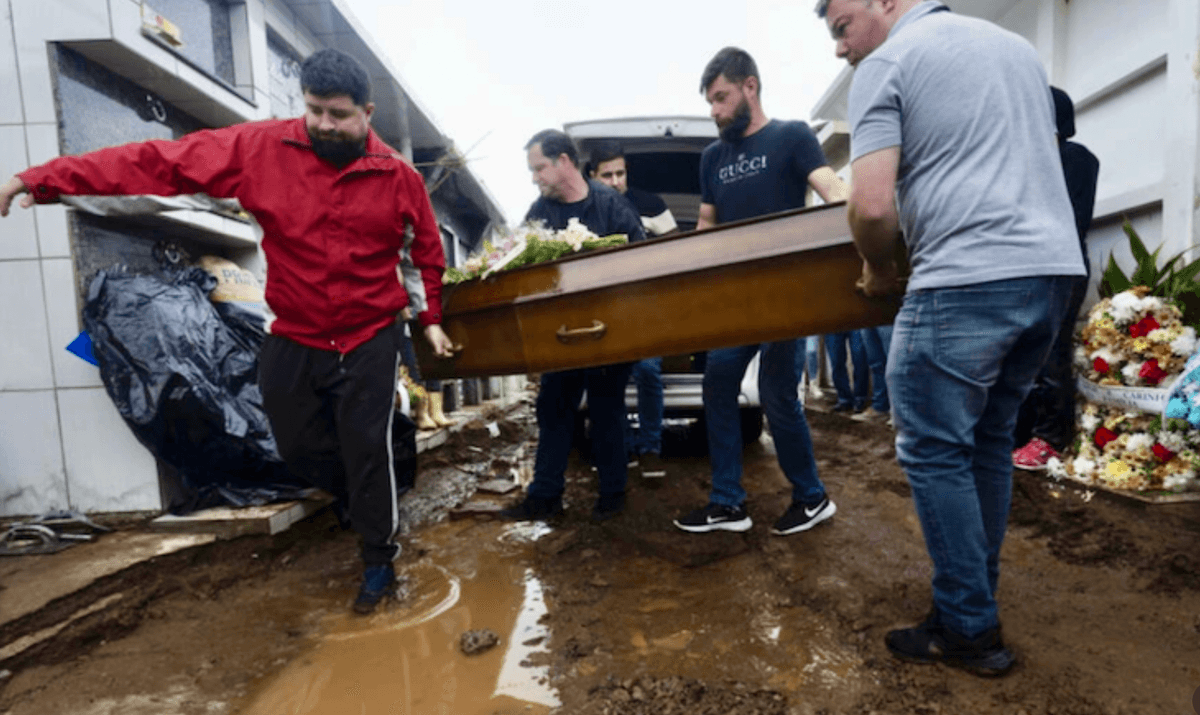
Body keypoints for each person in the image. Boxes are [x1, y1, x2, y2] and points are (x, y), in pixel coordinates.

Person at [0, 49, 455, 615]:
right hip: (296, 331)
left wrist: (430, 319)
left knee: (367, 448)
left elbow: (428, 253)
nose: (324, 124)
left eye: (338, 115)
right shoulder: (259, 148)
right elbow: (156, 162)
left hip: (369, 334)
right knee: (296, 444)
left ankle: (378, 560)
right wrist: (40, 180)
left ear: (366, 113)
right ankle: (351, 495)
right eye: (314, 110)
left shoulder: (398, 177)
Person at [819, 0, 1086, 676]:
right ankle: (969, 600)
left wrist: (878, 268)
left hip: (966, 277)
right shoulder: (1014, 48)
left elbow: (872, 204)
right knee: (989, 441)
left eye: (842, 26)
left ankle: (968, 626)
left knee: (935, 451)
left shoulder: (890, 63)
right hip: (1051, 273)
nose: (841, 48)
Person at [672, 47, 847, 536]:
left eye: (722, 98)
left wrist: (851, 225)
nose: (715, 111)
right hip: (736, 298)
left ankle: (812, 497)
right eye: (710, 102)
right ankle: (728, 502)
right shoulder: (713, 157)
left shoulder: (791, 136)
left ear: (750, 86)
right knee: (718, 383)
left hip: (788, 294)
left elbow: (831, 189)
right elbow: (707, 224)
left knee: (776, 393)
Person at [499, 129, 646, 522]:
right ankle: (545, 497)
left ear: (564, 161)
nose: (535, 178)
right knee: (553, 407)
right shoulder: (539, 212)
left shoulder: (611, 206)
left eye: (539, 168)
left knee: (606, 409)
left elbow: (642, 259)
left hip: (608, 328)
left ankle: (613, 495)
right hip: (560, 333)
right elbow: (517, 262)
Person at [1012, 86, 1100, 469]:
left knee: (1051, 355)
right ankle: (1023, 432)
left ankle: (1051, 437)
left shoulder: (1074, 158)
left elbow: (1067, 219)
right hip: (1028, 270)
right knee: (1022, 355)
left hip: (1060, 269)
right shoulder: (1028, 162)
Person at [588, 140, 676, 478]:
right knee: (605, 380)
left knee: (649, 372)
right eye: (606, 175)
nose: (615, 181)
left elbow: (677, 251)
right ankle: (618, 448)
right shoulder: (586, 211)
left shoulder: (651, 204)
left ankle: (650, 447)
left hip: (645, 305)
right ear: (592, 176)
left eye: (620, 173)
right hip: (602, 308)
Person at [852, 324, 893, 424]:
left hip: (888, 316)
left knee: (893, 361)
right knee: (875, 363)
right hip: (867, 317)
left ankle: (897, 411)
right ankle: (880, 407)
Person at [824, 330, 869, 413]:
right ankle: (844, 398)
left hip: (857, 321)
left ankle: (860, 398)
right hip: (832, 322)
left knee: (860, 359)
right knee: (836, 361)